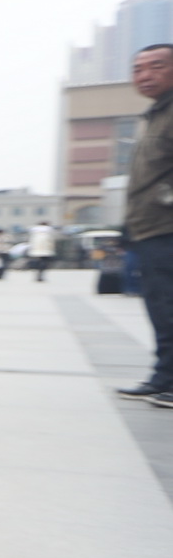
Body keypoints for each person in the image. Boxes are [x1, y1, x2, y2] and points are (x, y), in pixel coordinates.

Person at [115, 44, 173, 406]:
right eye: (138, 69)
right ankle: (164, 376)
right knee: (159, 304)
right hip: (149, 227)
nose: (145, 75)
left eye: (156, 66)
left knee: (167, 304)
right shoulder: (156, 116)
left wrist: (165, 199)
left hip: (167, 226)